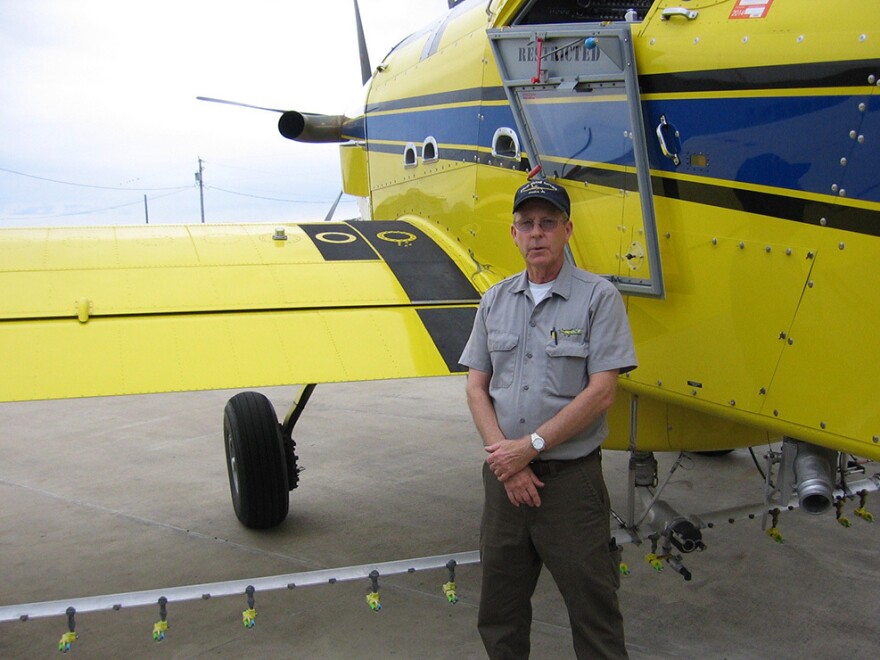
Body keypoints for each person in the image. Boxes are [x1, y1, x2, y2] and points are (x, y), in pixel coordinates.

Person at [459, 179, 636, 659]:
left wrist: (529, 447)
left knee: (595, 611)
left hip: (570, 486)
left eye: (548, 223)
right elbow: (477, 387)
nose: (537, 233)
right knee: (499, 613)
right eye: (527, 224)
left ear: (567, 231)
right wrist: (508, 459)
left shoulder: (599, 298)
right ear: (514, 234)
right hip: (505, 484)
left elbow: (601, 393)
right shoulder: (494, 300)